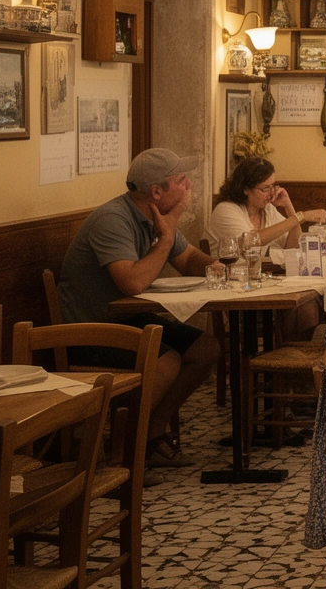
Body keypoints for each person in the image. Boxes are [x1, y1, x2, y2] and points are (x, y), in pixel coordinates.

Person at [57, 148, 219, 467]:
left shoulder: (155, 217)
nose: (189, 185)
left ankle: (150, 434)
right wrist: (166, 237)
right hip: (90, 329)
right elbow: (132, 283)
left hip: (127, 320)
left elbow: (187, 260)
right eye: (181, 180)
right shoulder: (113, 219)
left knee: (206, 348)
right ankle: (126, 453)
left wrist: (220, 267)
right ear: (156, 192)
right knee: (167, 361)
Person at [207, 156, 326, 254]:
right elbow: (252, 240)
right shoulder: (226, 210)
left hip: (252, 279)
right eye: (265, 189)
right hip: (224, 279)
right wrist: (302, 216)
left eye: (273, 186)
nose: (271, 194)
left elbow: (293, 246)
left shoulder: (268, 210)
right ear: (245, 189)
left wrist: (288, 206)